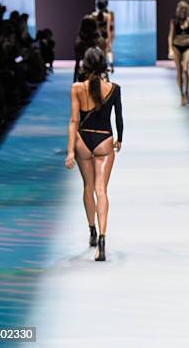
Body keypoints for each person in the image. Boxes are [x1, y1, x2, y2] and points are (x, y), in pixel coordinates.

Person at [65, 47, 123, 262]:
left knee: (88, 188)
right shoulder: (113, 88)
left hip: (83, 141)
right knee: (102, 190)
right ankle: (102, 238)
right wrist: (120, 139)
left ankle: (91, 230)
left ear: (84, 65)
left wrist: (70, 151)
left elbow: (73, 121)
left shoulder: (77, 88)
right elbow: (119, 118)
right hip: (104, 141)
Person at [168, 0, 189, 106]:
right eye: (181, 9)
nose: (183, 11)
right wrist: (170, 49)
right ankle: (181, 95)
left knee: (185, 69)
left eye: (185, 9)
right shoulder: (174, 21)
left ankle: (186, 92)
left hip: (187, 47)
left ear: (187, 10)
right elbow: (170, 36)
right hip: (176, 46)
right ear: (178, 10)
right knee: (179, 71)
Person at [91, 0, 115, 73]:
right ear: (105, 6)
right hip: (104, 37)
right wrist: (109, 40)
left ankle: (97, 70)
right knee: (107, 53)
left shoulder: (93, 15)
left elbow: (92, 28)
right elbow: (108, 29)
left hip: (96, 37)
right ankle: (109, 66)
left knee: (96, 54)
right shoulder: (108, 15)